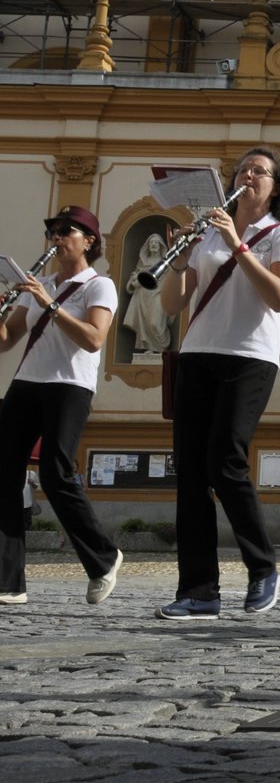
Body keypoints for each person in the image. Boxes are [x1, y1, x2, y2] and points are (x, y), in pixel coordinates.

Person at [157, 148, 280, 619]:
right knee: (192, 474)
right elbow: (172, 305)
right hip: (199, 353)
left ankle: (263, 569)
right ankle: (199, 590)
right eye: (243, 170)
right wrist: (178, 261)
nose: (249, 176)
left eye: (259, 171)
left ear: (275, 186)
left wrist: (239, 245)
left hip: (250, 356)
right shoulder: (207, 234)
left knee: (226, 461)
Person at [0, 206, 121, 606]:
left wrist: (50, 304)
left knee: (55, 474)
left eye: (66, 231)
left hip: (69, 387)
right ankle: (8, 582)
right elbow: (7, 339)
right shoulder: (42, 283)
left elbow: (93, 339)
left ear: (89, 241)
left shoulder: (98, 285)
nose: (56, 237)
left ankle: (104, 559)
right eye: (52, 230)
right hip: (26, 382)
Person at [122, 233, 172, 353]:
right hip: (143, 296)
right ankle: (150, 348)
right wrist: (133, 283)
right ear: (148, 246)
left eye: (156, 242)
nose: (153, 244)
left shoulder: (165, 262)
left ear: (161, 246)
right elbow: (135, 276)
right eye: (151, 242)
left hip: (159, 294)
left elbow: (169, 279)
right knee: (144, 324)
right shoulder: (144, 261)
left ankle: (162, 347)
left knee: (155, 323)